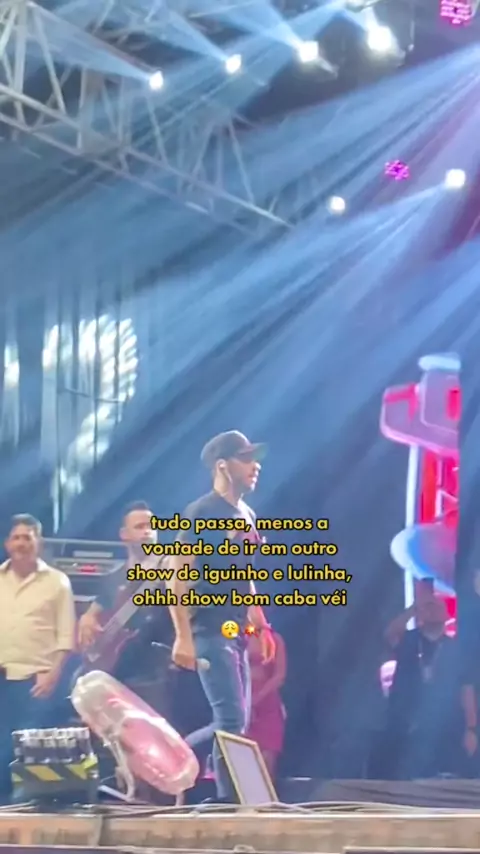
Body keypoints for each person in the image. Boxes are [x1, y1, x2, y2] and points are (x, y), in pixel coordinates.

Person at [168, 430, 276, 803]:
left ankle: (196, 768)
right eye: (246, 459)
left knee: (237, 722)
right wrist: (182, 637)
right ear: (222, 466)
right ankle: (224, 795)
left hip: (235, 630)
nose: (255, 466)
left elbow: (244, 575)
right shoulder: (201, 513)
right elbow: (177, 578)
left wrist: (260, 623)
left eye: (255, 459)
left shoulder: (247, 515)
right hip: (208, 628)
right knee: (230, 720)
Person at [0, 514, 76, 800]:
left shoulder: (57, 582)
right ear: (7, 543)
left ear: (39, 542)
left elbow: (66, 636)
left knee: (27, 755)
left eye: (27, 537)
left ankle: (21, 813)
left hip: (37, 681)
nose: (21, 543)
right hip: (2, 679)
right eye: (16, 537)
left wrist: (54, 674)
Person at [77, 502, 171, 705]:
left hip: (156, 674)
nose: (147, 532)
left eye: (151, 526)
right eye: (139, 527)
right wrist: (87, 618)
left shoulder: (170, 568)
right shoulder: (114, 577)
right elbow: (97, 608)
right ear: (124, 534)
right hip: (117, 674)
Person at [374, 586, 462, 778]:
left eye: (437, 607)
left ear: (446, 615)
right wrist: (414, 608)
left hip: (441, 720)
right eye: (428, 607)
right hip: (405, 717)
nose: (432, 610)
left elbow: (464, 685)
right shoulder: (409, 638)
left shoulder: (453, 646)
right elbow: (390, 634)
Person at [246, 628, 286, 777]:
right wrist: (247, 702)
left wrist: (258, 697)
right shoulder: (236, 636)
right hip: (242, 698)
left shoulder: (275, 639)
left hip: (267, 701)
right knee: (244, 757)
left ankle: (266, 791)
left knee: (267, 760)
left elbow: (280, 675)